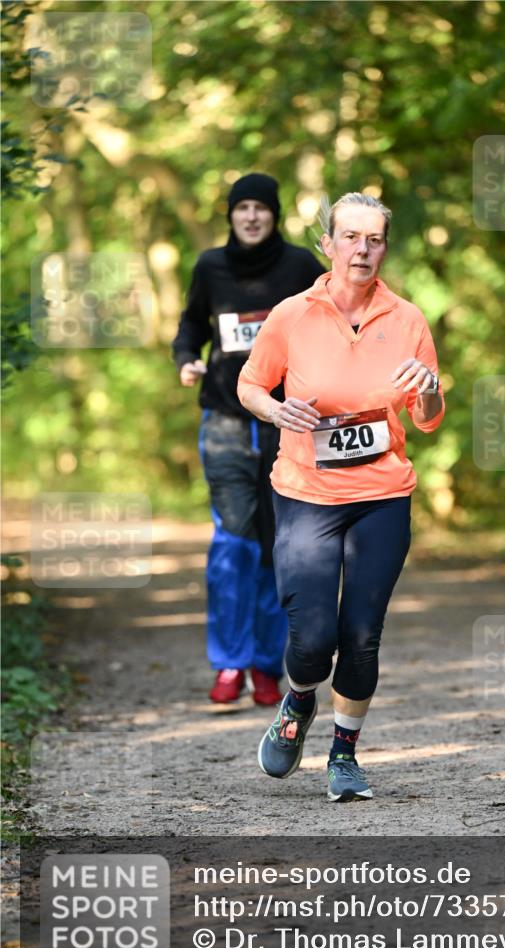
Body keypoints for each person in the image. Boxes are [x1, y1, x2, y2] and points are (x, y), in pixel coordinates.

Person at [237, 192, 444, 800]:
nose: (362, 248)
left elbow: (428, 418)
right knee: (313, 641)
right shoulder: (291, 315)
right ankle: (298, 700)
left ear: (384, 248)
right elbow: (251, 384)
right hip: (305, 494)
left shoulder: (407, 319)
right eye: (350, 237)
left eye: (374, 239)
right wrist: (277, 410)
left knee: (362, 635)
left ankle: (344, 756)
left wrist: (430, 388)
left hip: (382, 493)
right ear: (327, 244)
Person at [173, 173, 324, 706]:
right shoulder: (210, 266)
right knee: (233, 541)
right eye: (243, 208)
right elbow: (191, 324)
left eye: (262, 207)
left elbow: (333, 322)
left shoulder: (302, 268)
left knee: (277, 545)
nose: (252, 216)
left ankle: (266, 664)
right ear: (232, 215)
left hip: (287, 422)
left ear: (275, 215)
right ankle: (229, 664)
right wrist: (187, 358)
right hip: (225, 420)